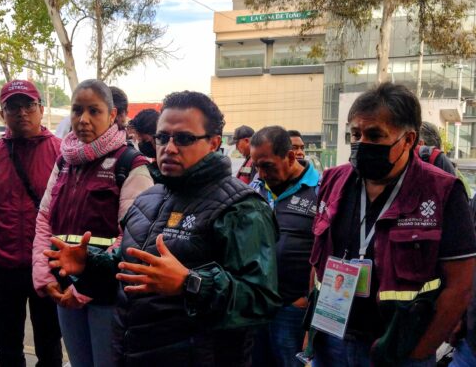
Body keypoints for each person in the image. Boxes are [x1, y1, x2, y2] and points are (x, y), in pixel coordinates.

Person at [45, 90, 281, 366]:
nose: (169, 147)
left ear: (214, 142)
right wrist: (88, 265)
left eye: (183, 139)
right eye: (162, 137)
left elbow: (261, 300)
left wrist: (189, 283)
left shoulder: (241, 208)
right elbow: (129, 270)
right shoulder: (150, 197)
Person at [309, 82, 476, 366]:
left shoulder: (442, 191)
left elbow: (460, 285)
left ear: (409, 140)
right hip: (331, 339)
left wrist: (420, 351)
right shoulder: (333, 181)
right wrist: (310, 337)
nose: (362, 143)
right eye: (355, 134)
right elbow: (316, 264)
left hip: (399, 348)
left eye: (375, 135)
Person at [32, 79, 152, 367]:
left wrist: (84, 286)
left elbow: (134, 238)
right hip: (63, 289)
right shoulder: (64, 162)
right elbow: (44, 220)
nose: (83, 119)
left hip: (106, 295)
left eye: (94, 111)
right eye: (77, 110)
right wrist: (44, 277)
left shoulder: (131, 165)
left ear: (112, 116)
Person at [0, 80, 63, 367]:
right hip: (1, 268)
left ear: (41, 109)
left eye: (29, 105)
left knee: (50, 345)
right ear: (3, 113)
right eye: (13, 106)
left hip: (48, 265)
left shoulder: (62, 153)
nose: (22, 113)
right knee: (7, 347)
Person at [250, 125, 319, 367]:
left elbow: (328, 250)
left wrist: (306, 300)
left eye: (267, 165)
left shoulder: (321, 190)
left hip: (293, 309)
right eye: (256, 166)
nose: (260, 173)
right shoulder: (255, 189)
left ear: (290, 157)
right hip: (257, 305)